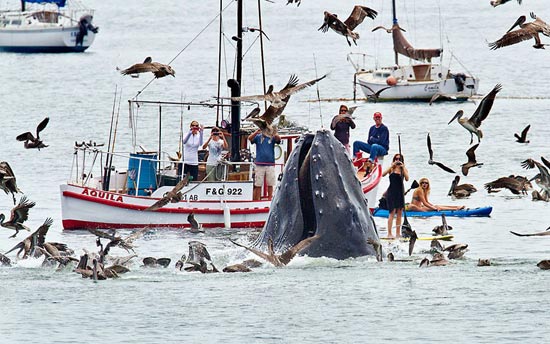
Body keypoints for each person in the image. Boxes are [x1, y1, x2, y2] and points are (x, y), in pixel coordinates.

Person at [248, 128, 281, 200]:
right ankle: (257, 199)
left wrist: (273, 132)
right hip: (259, 163)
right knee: (258, 184)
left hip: (270, 164)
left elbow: (279, 139)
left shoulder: (272, 137)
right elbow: (249, 138)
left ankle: (270, 198)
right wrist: (256, 132)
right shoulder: (258, 137)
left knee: (270, 183)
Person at [382, 153, 409, 238]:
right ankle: (389, 233)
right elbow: (383, 174)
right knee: (392, 212)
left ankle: (398, 233)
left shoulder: (403, 170)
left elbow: (407, 178)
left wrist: (403, 167)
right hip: (392, 192)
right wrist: (392, 166)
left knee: (399, 213)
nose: (397, 160)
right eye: (396, 159)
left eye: (399, 159)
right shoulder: (391, 169)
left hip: (400, 192)